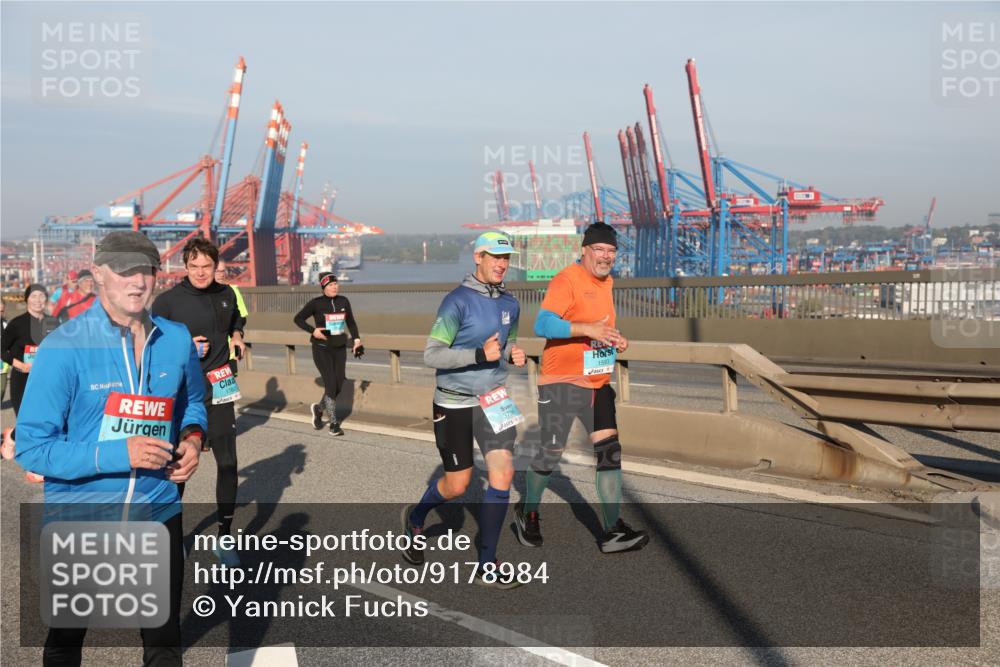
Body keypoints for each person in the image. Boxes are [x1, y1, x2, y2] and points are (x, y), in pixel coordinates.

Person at [15, 230, 207, 666]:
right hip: (82, 517)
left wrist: (193, 439)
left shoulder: (175, 340)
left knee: (163, 641)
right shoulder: (63, 347)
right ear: (99, 273)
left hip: (158, 511)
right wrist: (123, 453)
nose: (137, 282)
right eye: (124, 271)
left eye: (145, 270)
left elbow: (193, 402)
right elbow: (31, 449)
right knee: (66, 641)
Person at [400, 231, 528, 589]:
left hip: (494, 399)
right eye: (495, 257)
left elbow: (508, 342)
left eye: (506, 258)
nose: (502, 264)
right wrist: (478, 355)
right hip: (453, 401)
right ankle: (417, 516)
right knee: (458, 485)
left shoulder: (511, 304)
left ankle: (488, 562)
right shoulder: (456, 302)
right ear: (478, 257)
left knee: (502, 474)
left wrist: (512, 354)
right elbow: (431, 355)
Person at [516, 221, 649, 554]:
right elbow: (543, 323)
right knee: (551, 452)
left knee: (609, 451)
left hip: (597, 381)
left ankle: (611, 531)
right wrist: (586, 328)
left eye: (611, 251)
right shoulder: (567, 279)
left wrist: (615, 338)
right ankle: (527, 511)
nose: (605, 257)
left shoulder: (607, 283)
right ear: (584, 250)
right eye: (599, 250)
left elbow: (601, 327)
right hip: (561, 381)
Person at [152, 237, 245, 566]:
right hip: (182, 394)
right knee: (177, 470)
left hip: (219, 389)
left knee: (229, 464)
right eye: (194, 266)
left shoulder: (228, 295)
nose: (201, 272)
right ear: (185, 266)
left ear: (216, 266)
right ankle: (171, 537)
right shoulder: (167, 303)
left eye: (207, 266)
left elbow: (234, 322)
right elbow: (148, 350)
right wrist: (184, 346)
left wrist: (237, 336)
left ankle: (225, 537)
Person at [292, 272, 362, 435]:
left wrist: (357, 339)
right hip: (321, 348)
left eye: (336, 284)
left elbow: (351, 322)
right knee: (330, 384)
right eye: (331, 285)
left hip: (339, 348)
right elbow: (298, 319)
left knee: (338, 385)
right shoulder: (316, 304)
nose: (335, 287)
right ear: (323, 287)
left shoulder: (343, 301)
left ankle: (319, 408)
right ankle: (334, 423)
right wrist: (313, 331)